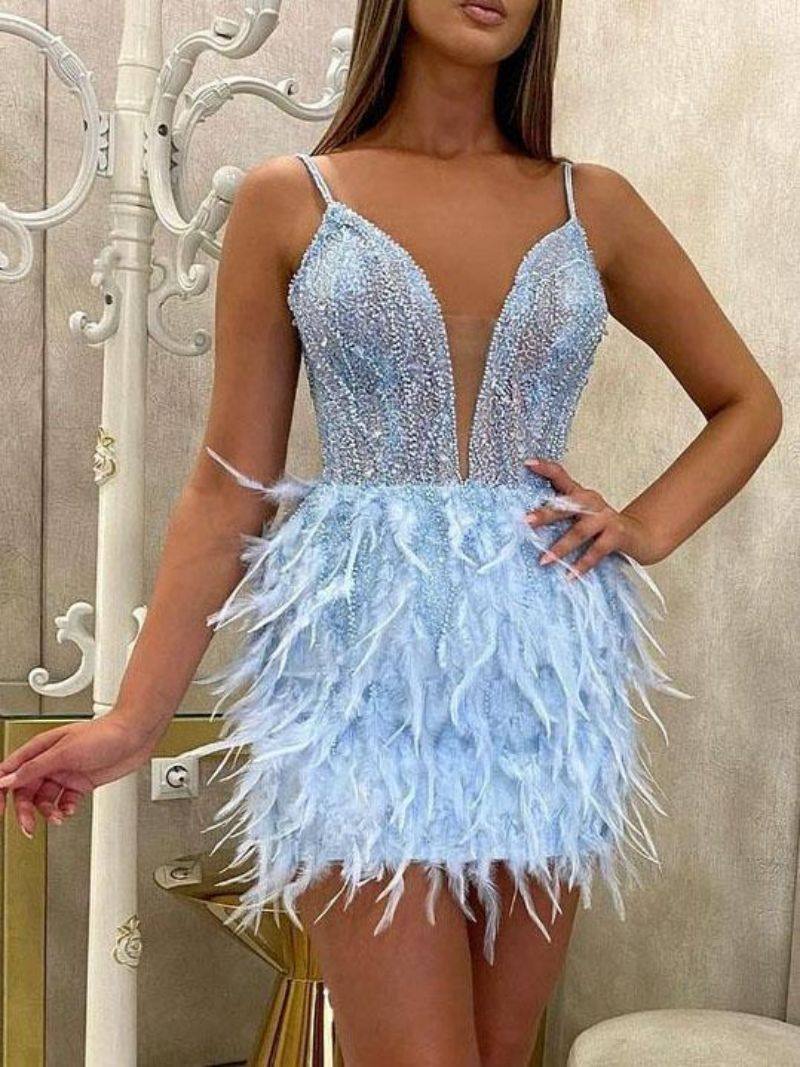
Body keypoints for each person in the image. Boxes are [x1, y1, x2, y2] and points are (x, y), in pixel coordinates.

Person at [0, 1, 782, 1064]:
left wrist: (644, 524)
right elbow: (228, 491)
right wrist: (134, 719)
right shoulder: (290, 198)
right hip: (360, 671)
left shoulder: (591, 203)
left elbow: (745, 402)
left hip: (544, 675)